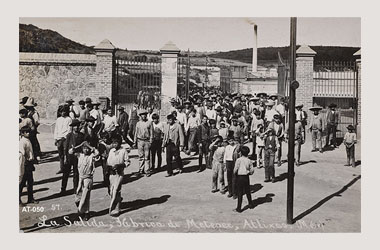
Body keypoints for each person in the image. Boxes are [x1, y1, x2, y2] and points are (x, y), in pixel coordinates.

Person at [74, 141, 99, 221]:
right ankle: (81, 209)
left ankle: (86, 213)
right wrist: (79, 145)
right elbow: (70, 151)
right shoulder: (80, 156)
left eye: (87, 149)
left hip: (88, 178)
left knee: (86, 196)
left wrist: (90, 146)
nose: (86, 150)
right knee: (78, 196)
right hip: (80, 178)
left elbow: (97, 153)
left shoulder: (92, 156)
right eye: (84, 148)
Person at [106, 135, 130, 217]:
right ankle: (118, 200)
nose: (114, 144)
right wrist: (109, 168)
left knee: (116, 190)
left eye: (116, 143)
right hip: (111, 174)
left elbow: (127, 162)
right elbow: (108, 162)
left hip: (119, 174)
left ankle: (115, 209)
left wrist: (120, 165)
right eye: (113, 143)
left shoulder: (123, 151)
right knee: (112, 191)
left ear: (119, 143)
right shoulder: (111, 151)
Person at [61, 119, 85, 194]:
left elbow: (83, 146)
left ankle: (76, 188)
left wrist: (80, 154)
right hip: (69, 156)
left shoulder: (81, 136)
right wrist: (65, 157)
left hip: (77, 157)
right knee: (66, 173)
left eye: (78, 126)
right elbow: (65, 147)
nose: (76, 127)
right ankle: (63, 189)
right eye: (75, 126)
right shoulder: (69, 135)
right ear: (72, 127)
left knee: (76, 173)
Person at [19, 126, 39, 205]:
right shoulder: (22, 141)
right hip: (25, 164)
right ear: (22, 133)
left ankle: (30, 198)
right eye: (26, 132)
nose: (28, 133)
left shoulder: (28, 140)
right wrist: (27, 160)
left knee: (30, 181)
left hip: (29, 163)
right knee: (22, 182)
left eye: (29, 132)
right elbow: (22, 153)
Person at [233, 146, 254, 213]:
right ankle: (250, 204)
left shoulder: (238, 160)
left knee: (240, 192)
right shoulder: (249, 160)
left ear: (241, 153)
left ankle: (239, 208)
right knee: (248, 191)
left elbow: (235, 169)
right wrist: (249, 172)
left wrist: (235, 173)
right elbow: (252, 170)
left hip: (239, 177)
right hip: (246, 177)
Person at [133, 110, 153, 176]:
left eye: (145, 114)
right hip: (140, 141)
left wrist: (151, 140)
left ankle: (147, 170)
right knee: (141, 156)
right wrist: (134, 141)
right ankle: (141, 170)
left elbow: (151, 133)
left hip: (147, 141)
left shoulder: (149, 123)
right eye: (142, 115)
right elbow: (136, 132)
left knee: (147, 157)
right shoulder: (138, 123)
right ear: (140, 116)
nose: (144, 116)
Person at [54, 106, 72, 174]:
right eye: (61, 112)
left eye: (64, 111)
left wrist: (64, 137)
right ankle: (61, 168)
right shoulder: (58, 119)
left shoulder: (69, 119)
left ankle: (67, 168)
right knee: (60, 154)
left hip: (65, 138)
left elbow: (69, 130)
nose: (63, 113)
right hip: (59, 138)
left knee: (66, 153)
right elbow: (56, 129)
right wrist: (55, 138)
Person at [224, 134, 240, 199]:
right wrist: (225, 164)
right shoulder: (227, 147)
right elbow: (225, 155)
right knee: (229, 178)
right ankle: (230, 192)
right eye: (230, 141)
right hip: (228, 162)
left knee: (234, 178)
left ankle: (234, 193)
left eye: (232, 140)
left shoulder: (236, 147)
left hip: (234, 162)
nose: (231, 142)